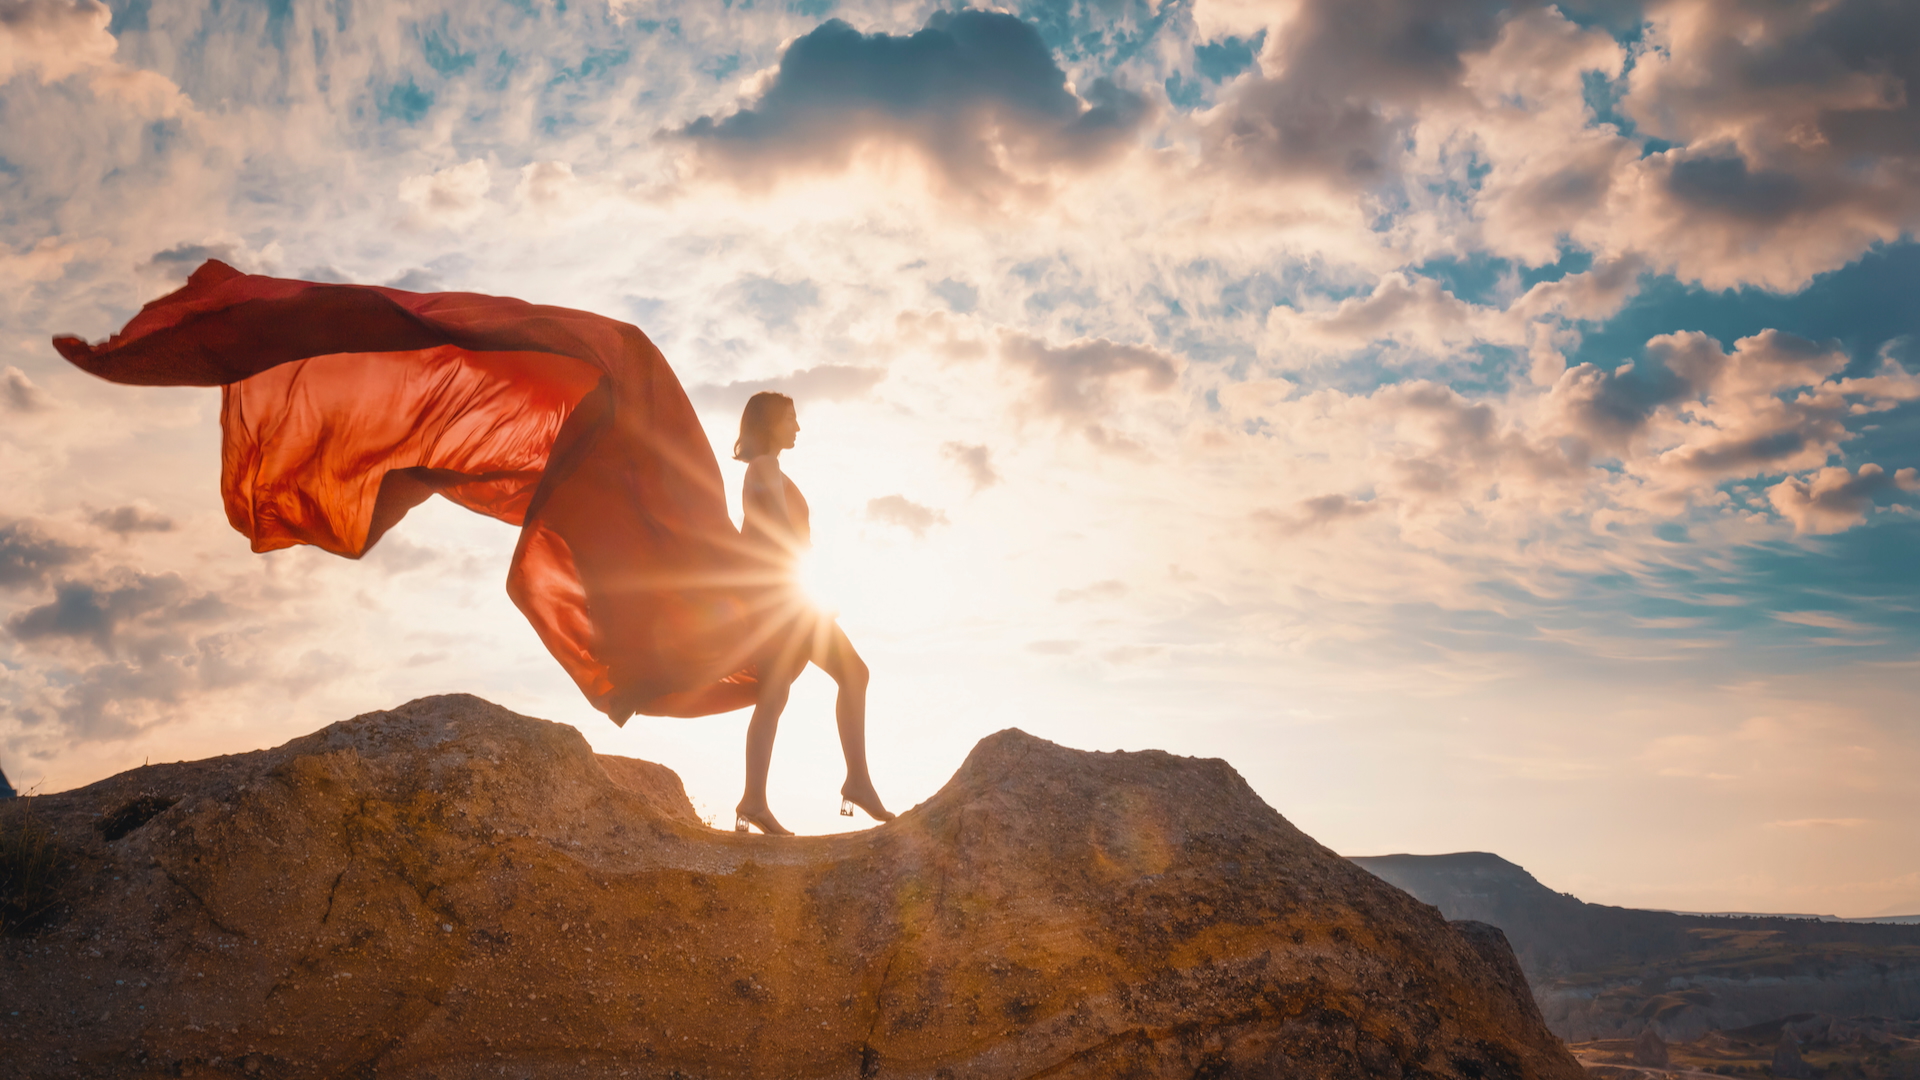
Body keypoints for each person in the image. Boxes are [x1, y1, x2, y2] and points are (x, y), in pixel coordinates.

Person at [730, 392, 894, 836]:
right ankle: (857, 781)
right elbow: (782, 534)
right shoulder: (765, 466)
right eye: (791, 419)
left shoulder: (764, 469)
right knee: (854, 673)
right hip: (786, 601)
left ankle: (753, 800)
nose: (798, 427)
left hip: (775, 600)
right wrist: (813, 597)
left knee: (774, 695)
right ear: (770, 423)